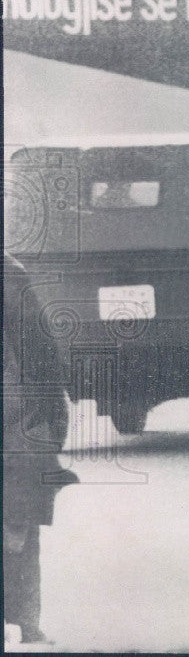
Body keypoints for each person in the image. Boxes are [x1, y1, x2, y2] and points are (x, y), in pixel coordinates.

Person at [3, 252, 77, 645]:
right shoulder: (9, 274)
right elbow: (42, 351)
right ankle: (27, 622)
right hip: (14, 419)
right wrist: (54, 414)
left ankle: (27, 621)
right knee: (18, 518)